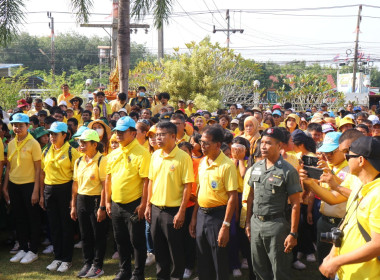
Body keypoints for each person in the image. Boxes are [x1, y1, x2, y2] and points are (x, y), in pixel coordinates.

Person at [245, 127, 302, 280]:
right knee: (259, 269)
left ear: (279, 146)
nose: (263, 146)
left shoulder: (288, 171)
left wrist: (292, 233)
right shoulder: (256, 167)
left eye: (268, 143)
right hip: (256, 223)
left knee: (280, 270)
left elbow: (296, 203)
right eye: (262, 142)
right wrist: (248, 223)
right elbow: (251, 196)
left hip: (276, 225)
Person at [319, 136, 380, 279]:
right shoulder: (360, 184)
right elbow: (347, 223)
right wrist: (333, 253)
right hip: (346, 272)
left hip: (367, 275)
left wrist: (337, 261)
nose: (346, 159)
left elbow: (377, 244)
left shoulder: (378, 194)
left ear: (361, 160)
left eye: (348, 155)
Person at [145, 121, 194, 279]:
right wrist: (148, 205)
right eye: (157, 135)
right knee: (159, 248)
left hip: (173, 211)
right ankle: (162, 276)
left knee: (175, 249)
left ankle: (176, 276)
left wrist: (181, 211)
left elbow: (187, 186)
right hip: (156, 208)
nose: (158, 138)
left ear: (173, 136)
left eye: (162, 135)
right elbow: (151, 181)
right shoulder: (155, 155)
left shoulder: (183, 157)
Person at [189, 126, 238, 280]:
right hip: (202, 214)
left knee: (219, 259)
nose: (202, 146)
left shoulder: (227, 165)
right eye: (201, 142)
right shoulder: (203, 162)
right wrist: (194, 218)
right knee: (202, 257)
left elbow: (232, 197)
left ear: (218, 145)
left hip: (218, 217)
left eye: (206, 143)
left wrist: (225, 225)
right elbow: (200, 191)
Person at [105, 116, 151, 280]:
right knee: (120, 240)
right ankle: (124, 271)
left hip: (134, 204)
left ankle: (138, 274)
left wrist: (143, 204)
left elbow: (146, 181)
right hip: (116, 203)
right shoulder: (114, 153)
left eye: (123, 131)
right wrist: (107, 202)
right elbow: (108, 178)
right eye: (117, 131)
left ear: (133, 133)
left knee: (137, 241)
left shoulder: (142, 153)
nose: (119, 134)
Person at [41, 122, 80, 273]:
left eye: (55, 134)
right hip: (49, 190)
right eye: (50, 134)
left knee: (66, 226)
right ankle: (57, 257)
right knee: (54, 225)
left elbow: (75, 178)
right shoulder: (46, 151)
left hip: (65, 190)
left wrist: (72, 199)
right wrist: (42, 195)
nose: (52, 137)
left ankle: (66, 259)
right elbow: (43, 173)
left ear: (65, 135)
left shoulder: (72, 152)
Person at [3, 113, 42, 264]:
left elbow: (38, 170)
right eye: (15, 125)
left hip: (29, 185)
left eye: (21, 125)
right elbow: (10, 167)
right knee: (19, 217)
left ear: (27, 126)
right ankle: (23, 248)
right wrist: (5, 187)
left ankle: (33, 250)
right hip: (14, 184)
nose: (17, 128)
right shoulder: (11, 143)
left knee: (32, 218)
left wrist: (36, 191)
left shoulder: (34, 144)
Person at [70, 129, 108, 278]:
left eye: (84, 143)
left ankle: (98, 265)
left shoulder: (101, 160)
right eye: (80, 142)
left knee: (98, 234)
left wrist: (102, 207)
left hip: (96, 200)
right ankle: (88, 262)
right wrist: (73, 205)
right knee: (85, 234)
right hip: (81, 200)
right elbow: (75, 184)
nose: (81, 145)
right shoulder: (79, 160)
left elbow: (105, 186)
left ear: (94, 144)